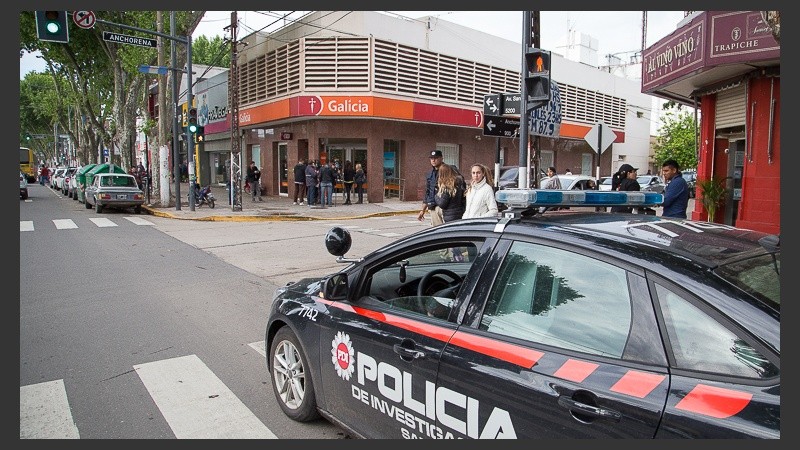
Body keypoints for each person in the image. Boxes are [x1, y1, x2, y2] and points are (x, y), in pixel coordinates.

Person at [418, 150, 445, 225]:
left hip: (446, 207)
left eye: (436, 158)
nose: (433, 160)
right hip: (433, 207)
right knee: (437, 233)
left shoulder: (448, 171)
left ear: (441, 158)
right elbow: (428, 192)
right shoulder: (430, 174)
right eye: (431, 158)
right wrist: (422, 210)